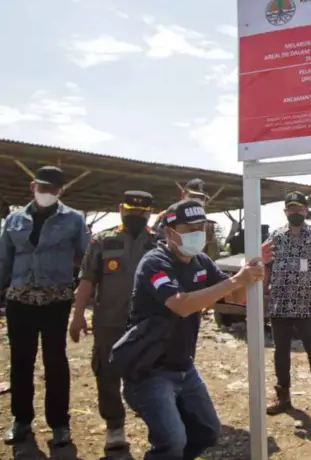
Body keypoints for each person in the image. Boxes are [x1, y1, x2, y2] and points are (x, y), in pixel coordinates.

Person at [121, 199, 272, 459]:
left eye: (201, 228)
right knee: (172, 440)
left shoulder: (201, 262)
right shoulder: (155, 263)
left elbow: (235, 297)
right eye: (191, 229)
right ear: (170, 232)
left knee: (207, 432)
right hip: (149, 371)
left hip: (183, 367)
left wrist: (258, 269)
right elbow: (181, 306)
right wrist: (238, 279)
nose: (198, 234)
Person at [0, 166, 90, 446]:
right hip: (19, 301)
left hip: (55, 301)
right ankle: (22, 420)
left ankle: (59, 424)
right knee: (21, 361)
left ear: (61, 191)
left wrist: (81, 294)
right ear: (32, 186)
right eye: (43, 188)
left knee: (55, 362)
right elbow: (4, 259)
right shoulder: (14, 220)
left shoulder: (74, 220)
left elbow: (86, 257)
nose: (47, 194)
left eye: (53, 190)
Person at [69, 191, 158, 453]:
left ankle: (158, 423)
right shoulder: (102, 240)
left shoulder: (158, 242)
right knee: (107, 374)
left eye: (142, 212)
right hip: (110, 322)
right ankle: (114, 427)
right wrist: (77, 317)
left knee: (151, 374)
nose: (136, 216)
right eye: (131, 210)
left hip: (148, 324)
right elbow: (87, 281)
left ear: (150, 213)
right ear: (121, 209)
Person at [265, 191, 311, 421]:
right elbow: (266, 267)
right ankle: (282, 397)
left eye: (299, 208)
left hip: (306, 304)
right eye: (291, 209)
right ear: (285, 212)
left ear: (306, 211)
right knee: (280, 351)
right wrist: (263, 293)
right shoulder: (275, 236)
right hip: (280, 303)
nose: (295, 212)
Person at [152, 178, 219, 259]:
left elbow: (212, 251)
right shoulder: (168, 216)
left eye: (202, 198)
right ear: (183, 195)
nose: (198, 199)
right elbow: (159, 244)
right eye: (194, 195)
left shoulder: (207, 223)